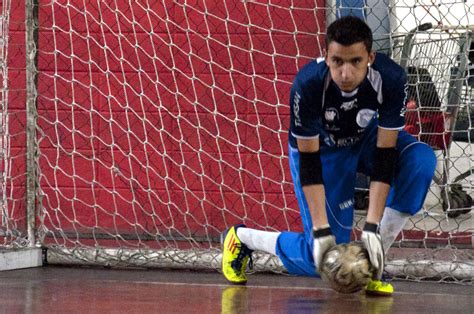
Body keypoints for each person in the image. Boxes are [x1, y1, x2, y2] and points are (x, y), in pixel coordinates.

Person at [221, 16, 436, 295]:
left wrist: (371, 227)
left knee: (420, 161)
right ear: (326, 57)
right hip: (324, 153)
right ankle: (242, 239)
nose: (346, 73)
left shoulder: (391, 78)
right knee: (321, 259)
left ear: (370, 57)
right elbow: (309, 163)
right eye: (337, 62)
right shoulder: (308, 85)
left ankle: (370, 263)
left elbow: (385, 154)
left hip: (367, 139)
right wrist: (322, 231)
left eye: (355, 62)